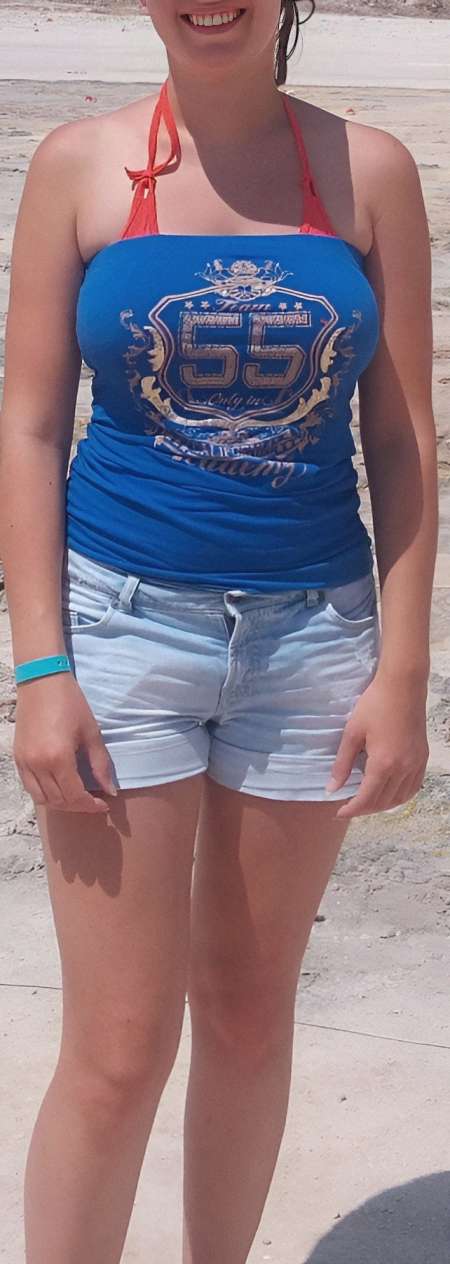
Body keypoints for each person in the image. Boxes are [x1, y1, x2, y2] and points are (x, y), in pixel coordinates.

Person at [0, 1, 437, 1260]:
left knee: (247, 1018)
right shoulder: (79, 165)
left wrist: (402, 671)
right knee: (117, 1048)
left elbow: (402, 438)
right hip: (121, 633)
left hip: (313, 646)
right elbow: (29, 426)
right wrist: (42, 666)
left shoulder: (369, 172)